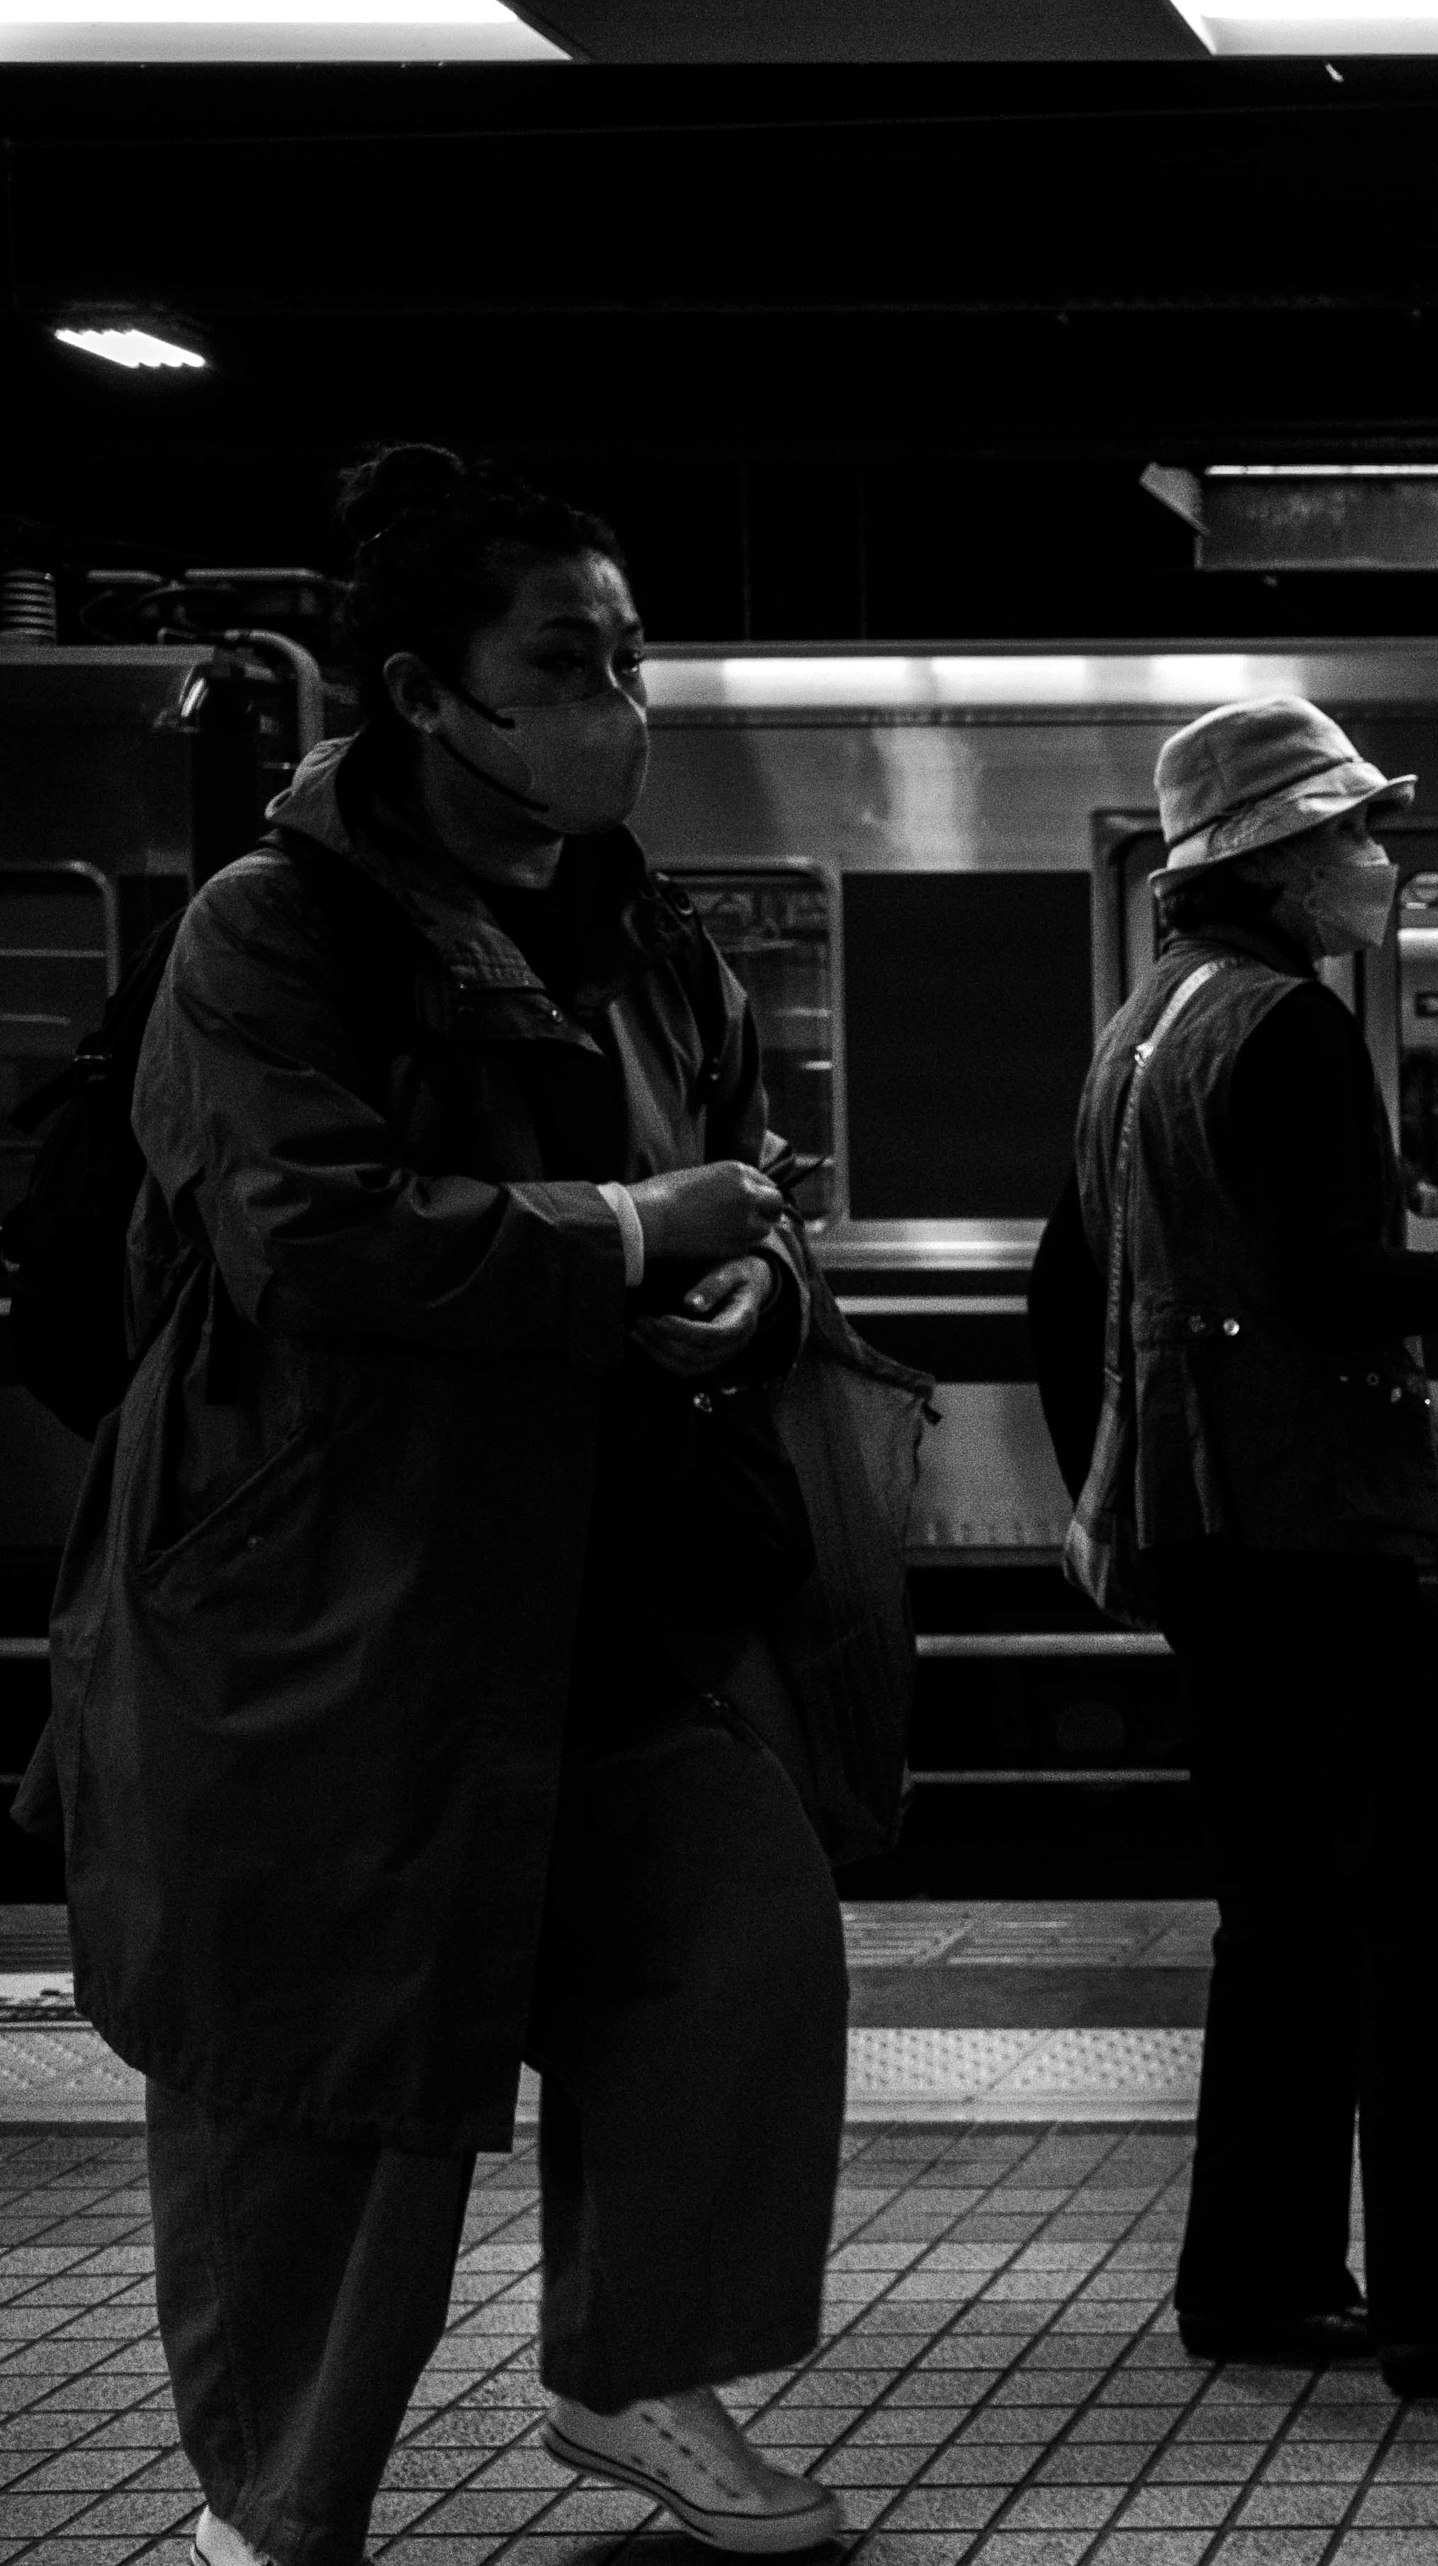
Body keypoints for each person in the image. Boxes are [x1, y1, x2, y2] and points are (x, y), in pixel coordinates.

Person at [11, 445, 847, 2566]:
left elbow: (745, 1192)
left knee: (732, 1949)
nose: (617, 698)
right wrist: (631, 1232)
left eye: (631, 654)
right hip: (341, 1598)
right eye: (564, 659)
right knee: (333, 2072)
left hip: (609, 1583)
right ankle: (275, 2502)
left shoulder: (647, 933)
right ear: (419, 690)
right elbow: (311, 1235)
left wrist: (740, 1287)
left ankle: (635, 2374)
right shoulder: (276, 933)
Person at [1063, 694, 1438, 2400]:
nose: (1377, 863)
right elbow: (1322, 1283)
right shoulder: (1286, 1026)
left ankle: (1261, 2272)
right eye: (1354, 836)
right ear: (1281, 864)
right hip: (1319, 1534)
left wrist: (1102, 1481)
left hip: (1205, 1539)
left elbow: (1060, 1288)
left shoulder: (1140, 1029)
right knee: (1411, 1904)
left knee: (1281, 1912)